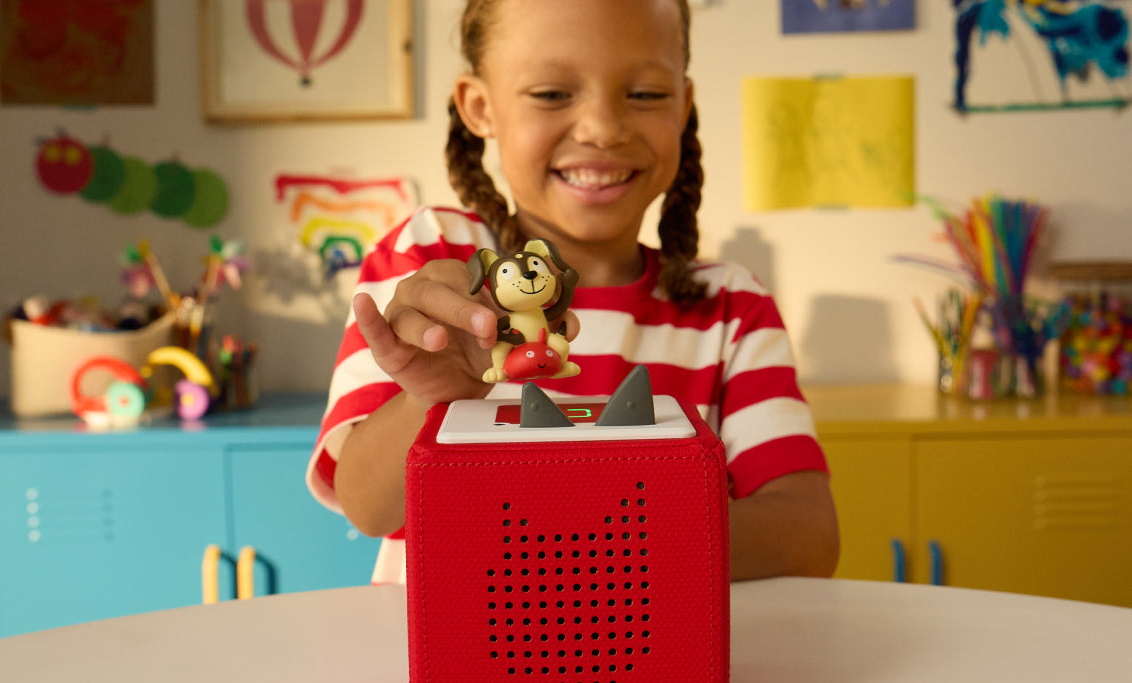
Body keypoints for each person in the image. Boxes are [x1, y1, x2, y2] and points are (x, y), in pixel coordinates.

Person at [306, 0, 839, 585]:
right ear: (480, 107)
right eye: (553, 94)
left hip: (652, 668)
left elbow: (808, 534)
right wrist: (428, 401)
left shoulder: (731, 306)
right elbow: (365, 504)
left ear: (684, 106)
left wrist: (584, 543)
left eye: (644, 94)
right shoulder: (435, 259)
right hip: (443, 669)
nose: (604, 129)